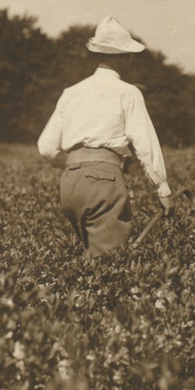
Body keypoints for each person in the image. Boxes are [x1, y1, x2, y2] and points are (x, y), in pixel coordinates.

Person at [38, 16, 173, 257]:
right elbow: (146, 143)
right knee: (107, 267)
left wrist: (77, 165)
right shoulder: (128, 92)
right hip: (104, 181)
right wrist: (162, 188)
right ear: (124, 58)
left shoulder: (71, 93)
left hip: (69, 183)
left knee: (91, 257)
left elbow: (46, 147)